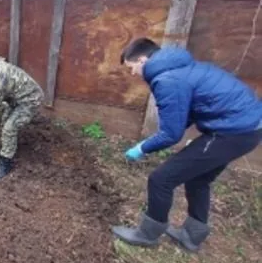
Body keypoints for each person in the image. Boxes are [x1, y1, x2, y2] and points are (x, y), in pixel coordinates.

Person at [112, 38, 262, 250]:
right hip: (247, 128)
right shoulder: (183, 68)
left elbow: (171, 135)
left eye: (132, 67)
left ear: (143, 60)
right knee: (198, 180)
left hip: (232, 132)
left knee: (161, 179)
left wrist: (142, 148)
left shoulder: (168, 80)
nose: (133, 73)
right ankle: (192, 235)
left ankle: (147, 234)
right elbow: (190, 111)